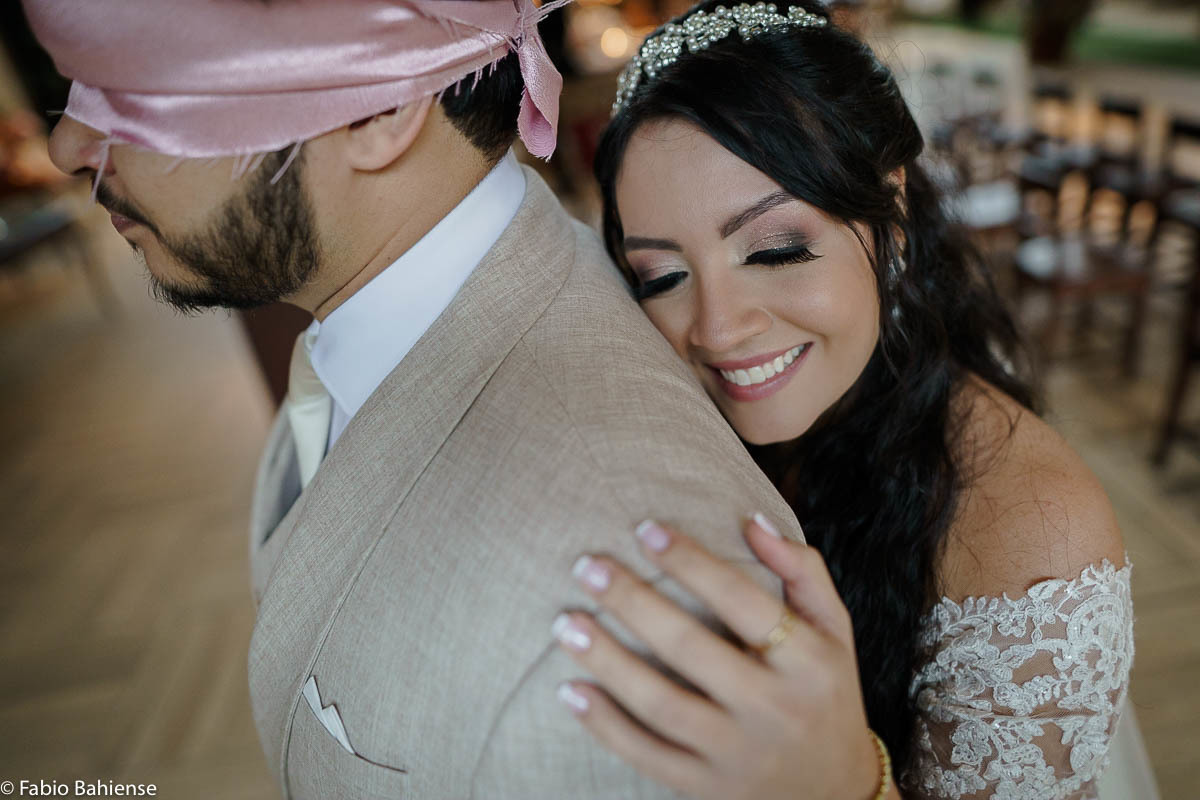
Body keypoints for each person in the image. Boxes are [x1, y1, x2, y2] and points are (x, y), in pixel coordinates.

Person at [24, 1, 808, 797]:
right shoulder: (375, 312)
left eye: (133, 86)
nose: (67, 145)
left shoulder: (615, 612)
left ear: (380, 108)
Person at [549, 2, 1144, 798]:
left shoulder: (1032, 535)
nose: (717, 329)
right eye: (663, 276)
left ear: (890, 218)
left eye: (775, 251)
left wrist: (845, 782)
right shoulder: (660, 413)